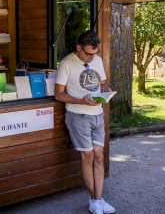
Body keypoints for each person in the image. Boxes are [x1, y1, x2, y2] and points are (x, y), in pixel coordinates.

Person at [55, 30, 115, 214]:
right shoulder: (66, 63)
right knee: (88, 157)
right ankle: (96, 200)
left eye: (95, 53)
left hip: (97, 114)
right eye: (88, 54)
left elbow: (102, 82)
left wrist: (106, 89)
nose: (92, 57)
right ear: (79, 48)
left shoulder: (96, 59)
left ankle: (97, 200)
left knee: (99, 156)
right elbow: (59, 94)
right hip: (78, 115)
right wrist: (81, 101)